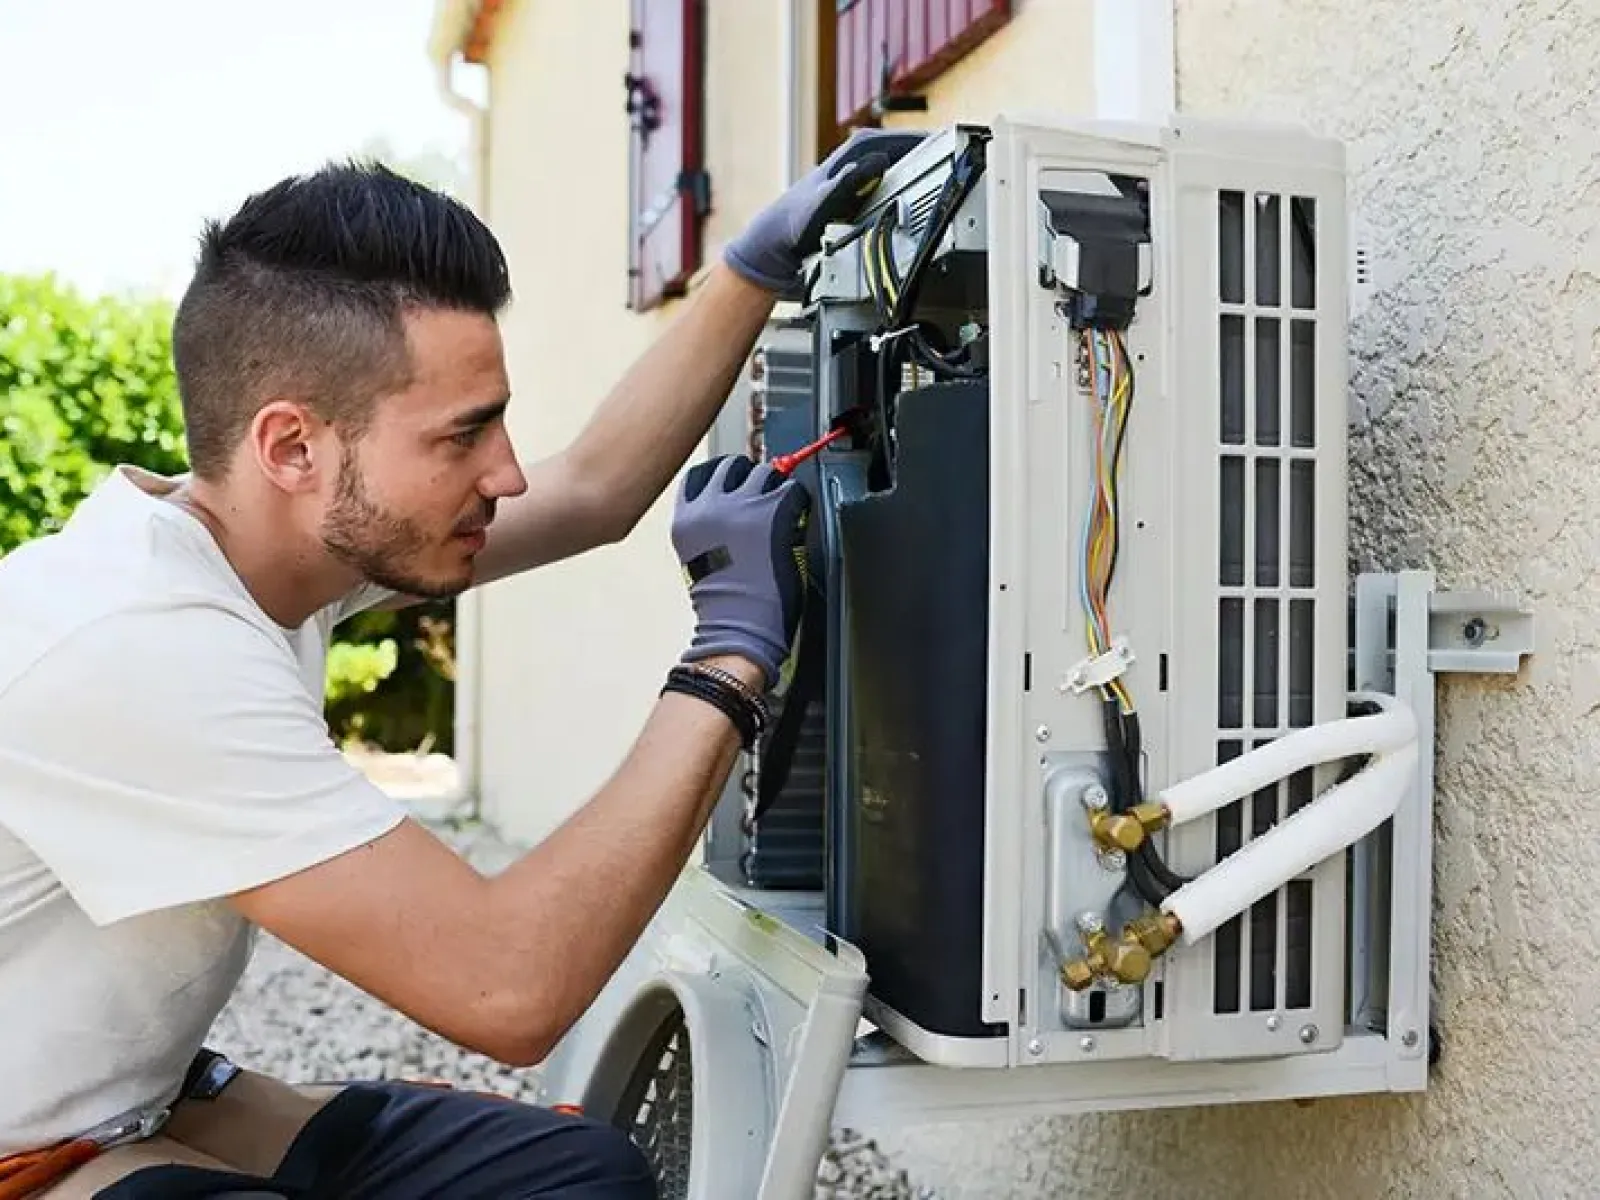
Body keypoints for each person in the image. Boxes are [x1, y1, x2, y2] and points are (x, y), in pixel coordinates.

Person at [0, 127, 921, 1198]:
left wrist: (748, 272)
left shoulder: (260, 547)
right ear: (291, 446)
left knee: (576, 1179)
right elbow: (510, 989)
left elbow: (593, 490)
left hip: (128, 1101)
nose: (509, 473)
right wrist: (727, 658)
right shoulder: (139, 647)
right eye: (462, 435)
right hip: (33, 1145)